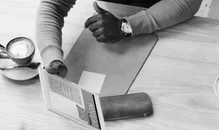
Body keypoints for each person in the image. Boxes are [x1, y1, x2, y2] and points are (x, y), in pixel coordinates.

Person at [36, 0, 203, 77]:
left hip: (168, 26)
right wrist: (52, 57)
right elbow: (53, 6)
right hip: (116, 26)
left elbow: (189, 2)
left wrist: (126, 26)